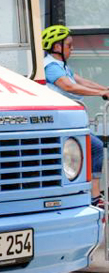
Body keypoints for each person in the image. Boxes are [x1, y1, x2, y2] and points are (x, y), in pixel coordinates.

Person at [41, 25, 108, 205]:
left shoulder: (61, 65)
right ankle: (94, 196)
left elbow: (80, 80)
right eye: (69, 45)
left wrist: (105, 89)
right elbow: (69, 86)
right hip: (58, 122)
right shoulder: (51, 66)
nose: (72, 49)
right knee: (95, 146)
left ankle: (91, 194)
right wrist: (100, 94)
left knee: (90, 148)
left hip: (67, 121)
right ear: (57, 47)